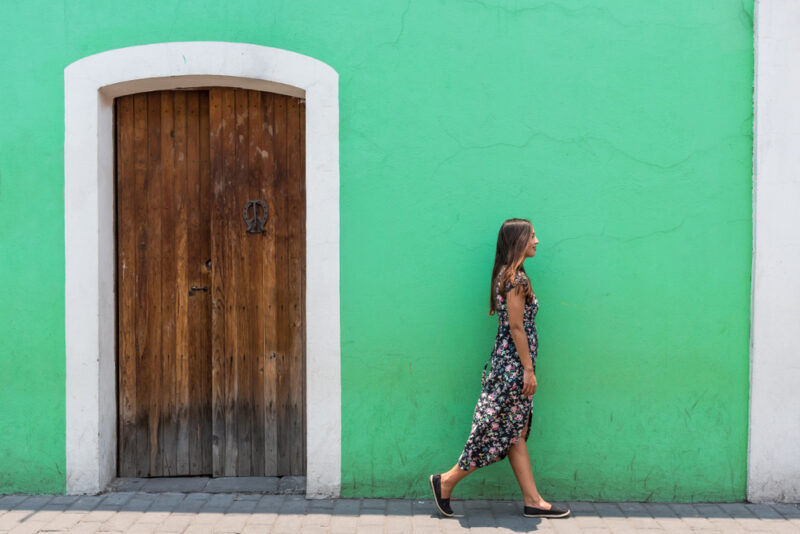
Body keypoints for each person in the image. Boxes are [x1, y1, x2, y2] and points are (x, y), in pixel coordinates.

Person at [429, 218, 570, 519]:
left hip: (506, 363)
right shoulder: (516, 279)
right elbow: (517, 328)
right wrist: (528, 371)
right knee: (494, 430)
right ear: (519, 241)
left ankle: (533, 500)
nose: (537, 240)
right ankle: (447, 480)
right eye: (532, 235)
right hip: (513, 367)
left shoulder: (507, 275)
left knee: (512, 431)